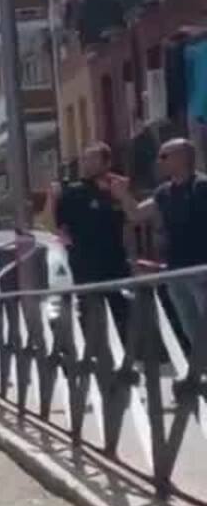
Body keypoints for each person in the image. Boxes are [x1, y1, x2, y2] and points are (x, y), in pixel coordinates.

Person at [109, 138, 207, 357]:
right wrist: (123, 193)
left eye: (164, 156)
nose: (158, 161)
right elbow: (135, 215)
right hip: (176, 272)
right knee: (191, 330)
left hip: (202, 271)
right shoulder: (163, 192)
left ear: (182, 157)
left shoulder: (202, 187)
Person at [47, 143, 134, 337]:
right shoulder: (73, 192)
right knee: (92, 314)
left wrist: (133, 259)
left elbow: (131, 223)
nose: (87, 164)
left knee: (122, 312)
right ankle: (98, 359)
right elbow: (53, 225)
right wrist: (51, 199)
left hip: (116, 263)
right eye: (85, 159)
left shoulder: (118, 188)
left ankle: (130, 357)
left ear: (107, 162)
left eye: (93, 159)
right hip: (85, 264)